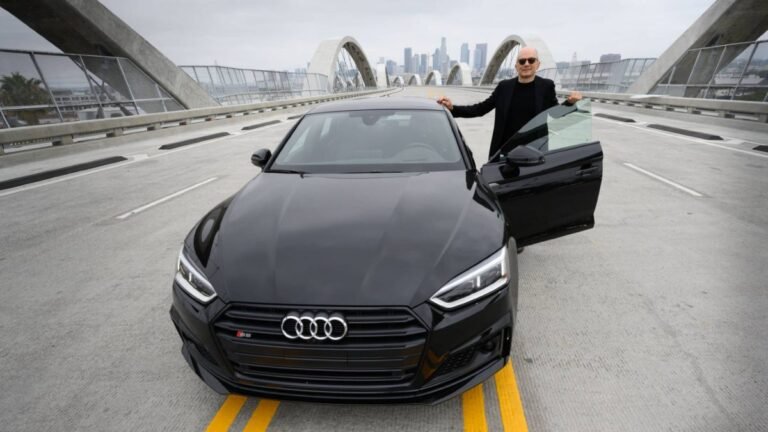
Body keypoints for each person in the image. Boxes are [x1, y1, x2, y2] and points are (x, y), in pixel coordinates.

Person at [437, 46, 582, 160]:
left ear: (538, 64)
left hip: (535, 152)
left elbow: (554, 114)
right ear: (516, 66)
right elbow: (480, 109)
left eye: (531, 60)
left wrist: (569, 103)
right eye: (522, 61)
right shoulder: (504, 87)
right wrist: (452, 108)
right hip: (504, 153)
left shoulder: (546, 86)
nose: (526, 64)